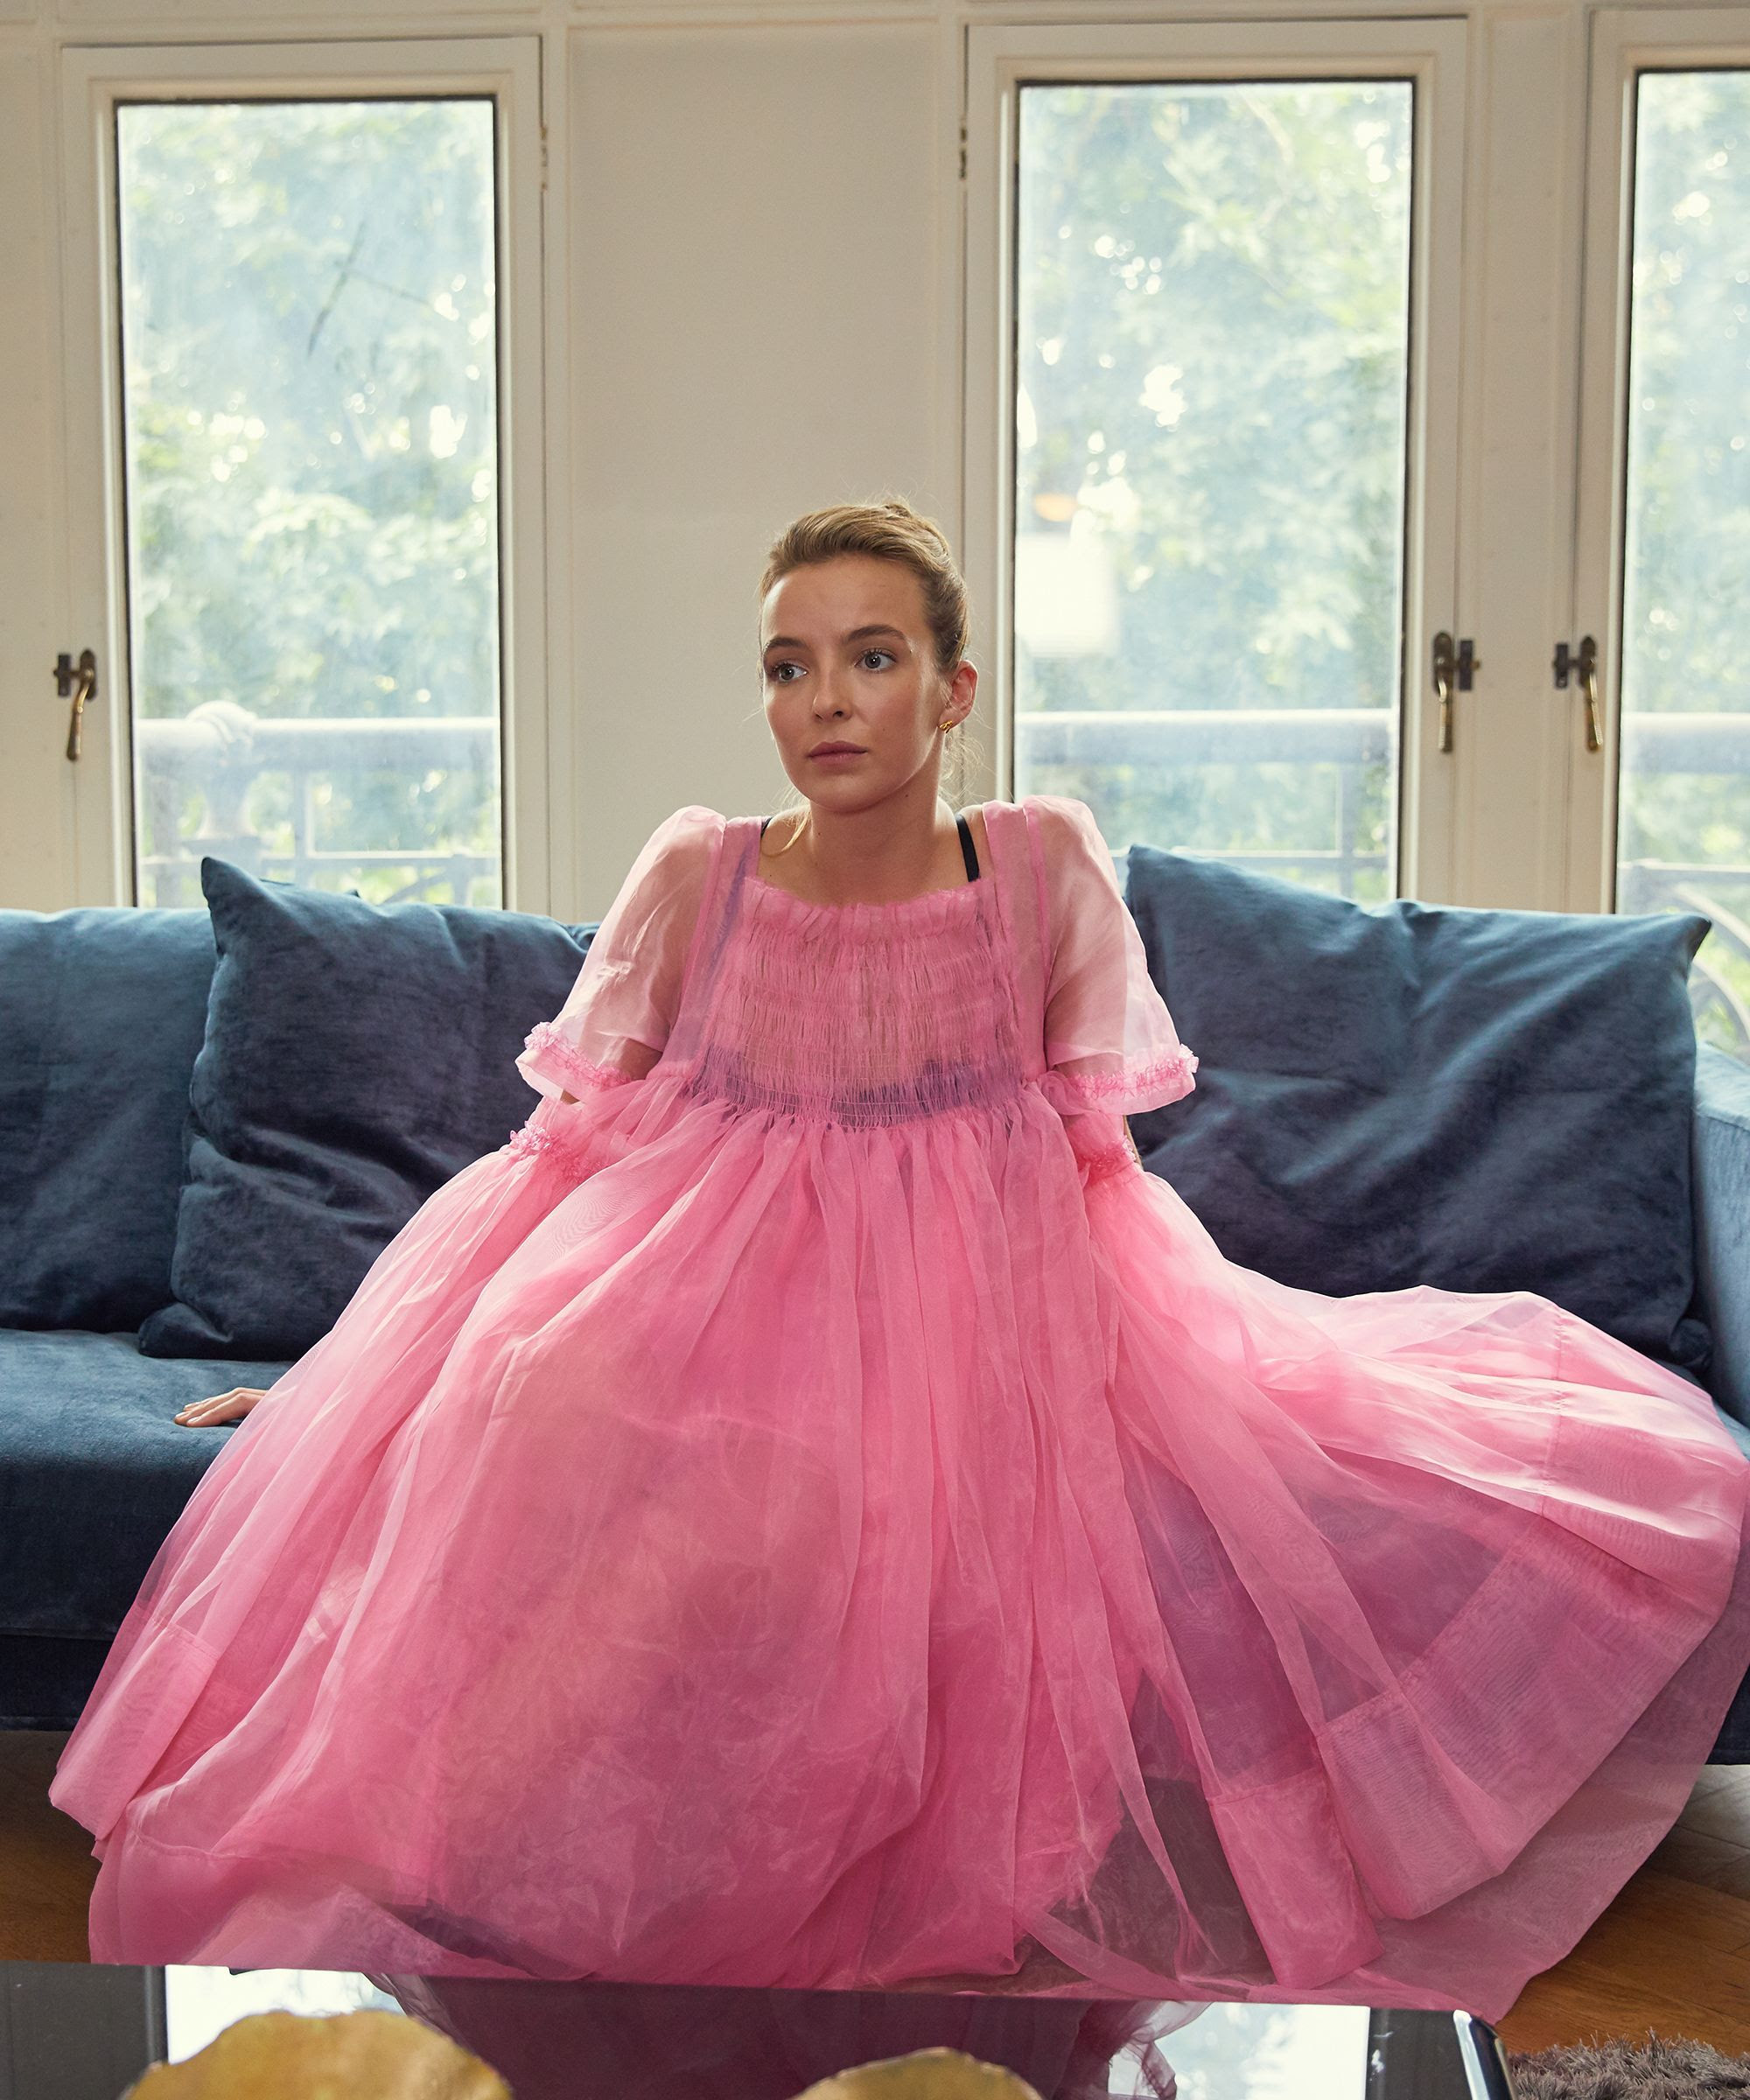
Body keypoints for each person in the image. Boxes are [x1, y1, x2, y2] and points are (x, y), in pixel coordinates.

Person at [48, 497, 1750, 2026]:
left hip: (978, 1313)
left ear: (952, 691)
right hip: (690, 1298)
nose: (828, 701)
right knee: (555, 1413)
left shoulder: (1039, 866)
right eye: (790, 666)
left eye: (872, 658)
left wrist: (1106, 1368)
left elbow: (1086, 1167)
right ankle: (568, 1884)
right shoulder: (701, 871)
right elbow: (561, 1159)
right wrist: (363, 1379)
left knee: (954, 1492)